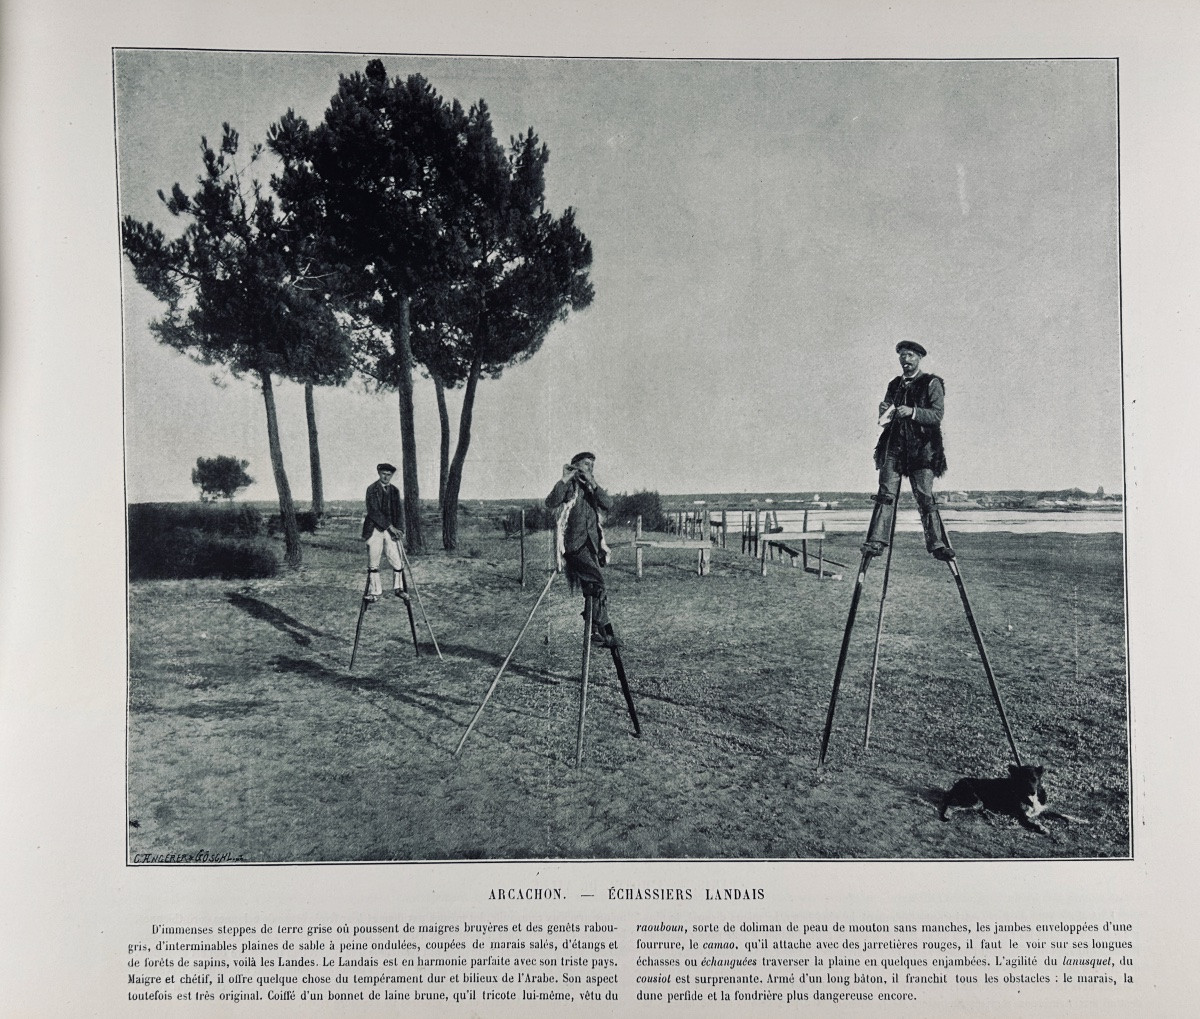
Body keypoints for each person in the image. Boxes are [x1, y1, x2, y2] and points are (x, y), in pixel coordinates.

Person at [862, 340, 955, 561]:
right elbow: (885, 416)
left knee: (924, 496)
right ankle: (876, 542)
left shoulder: (932, 383)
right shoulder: (894, 384)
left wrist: (912, 412)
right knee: (885, 494)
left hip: (923, 448)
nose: (906, 360)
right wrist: (885, 413)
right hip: (894, 445)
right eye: (903, 355)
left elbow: (936, 415)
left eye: (910, 355)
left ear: (919, 358)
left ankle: (938, 545)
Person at [545, 451, 619, 647]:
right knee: (599, 581)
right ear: (576, 465)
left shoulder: (590, 488)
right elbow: (550, 502)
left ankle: (595, 631)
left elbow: (608, 504)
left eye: (592, 466)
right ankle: (599, 626)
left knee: (592, 589)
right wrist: (564, 479)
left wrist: (593, 483)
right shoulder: (570, 487)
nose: (590, 469)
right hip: (574, 547)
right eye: (587, 465)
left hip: (591, 546)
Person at [361, 462, 406, 602]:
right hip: (374, 529)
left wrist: (400, 530)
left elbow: (398, 512)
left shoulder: (395, 491)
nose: (386, 477)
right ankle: (375, 593)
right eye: (383, 474)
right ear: (379, 473)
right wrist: (390, 527)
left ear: (392, 475)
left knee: (397, 560)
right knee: (374, 562)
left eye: (389, 475)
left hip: (390, 530)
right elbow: (373, 511)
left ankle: (398, 588)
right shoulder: (372, 489)